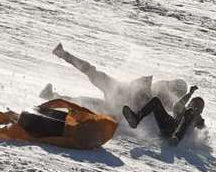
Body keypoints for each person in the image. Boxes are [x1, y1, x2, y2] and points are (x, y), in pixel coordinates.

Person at [42, 43, 189, 116]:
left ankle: (52, 97)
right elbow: (138, 86)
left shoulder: (168, 104)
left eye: (174, 86)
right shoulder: (162, 87)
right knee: (92, 73)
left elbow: (145, 114)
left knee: (84, 103)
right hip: (118, 90)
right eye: (172, 82)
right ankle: (62, 54)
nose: (169, 84)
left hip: (118, 108)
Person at [122, 85, 206, 145]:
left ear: (201, 110)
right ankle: (136, 119)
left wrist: (197, 117)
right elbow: (177, 106)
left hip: (177, 137)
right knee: (156, 101)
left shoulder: (198, 119)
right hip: (169, 126)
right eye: (194, 104)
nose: (196, 107)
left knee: (189, 113)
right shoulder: (183, 111)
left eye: (199, 107)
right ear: (189, 104)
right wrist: (189, 94)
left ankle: (175, 139)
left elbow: (202, 129)